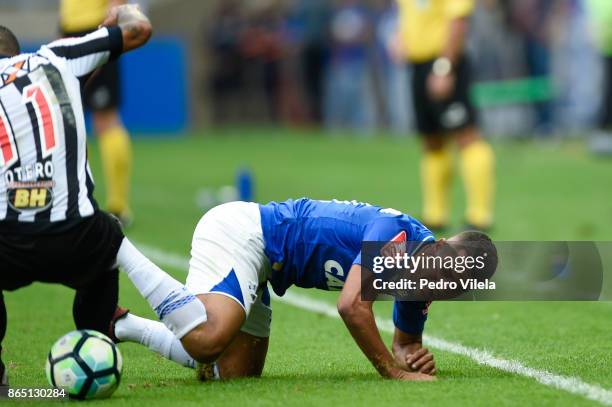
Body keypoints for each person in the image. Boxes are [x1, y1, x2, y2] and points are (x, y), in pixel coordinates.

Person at [112, 198, 497, 381]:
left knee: (230, 375)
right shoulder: (395, 233)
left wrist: (411, 356)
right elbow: (351, 307)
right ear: (441, 245)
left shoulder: (422, 281)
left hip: (266, 267)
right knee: (207, 339)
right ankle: (117, 245)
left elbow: (405, 344)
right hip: (245, 235)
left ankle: (123, 326)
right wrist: (393, 373)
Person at [0, 4, 152, 387]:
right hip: (77, 234)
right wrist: (126, 10)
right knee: (107, 121)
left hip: (7, 240)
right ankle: (101, 341)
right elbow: (140, 28)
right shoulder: (52, 57)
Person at [390, 0, 495, 231]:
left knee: (466, 135)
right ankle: (435, 214)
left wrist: (444, 66)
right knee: (431, 139)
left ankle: (480, 214)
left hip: (445, 63)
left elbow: (457, 21)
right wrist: (399, 37)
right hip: (417, 65)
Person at [60, 0, 134, 224]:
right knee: (97, 119)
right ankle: (115, 206)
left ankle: (115, 206)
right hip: (85, 31)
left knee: (96, 119)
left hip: (92, 28)